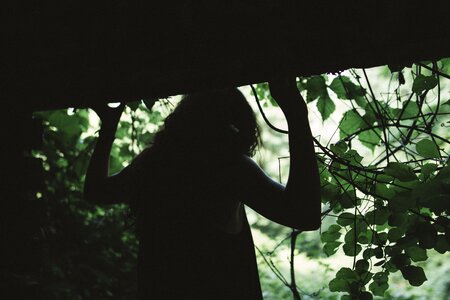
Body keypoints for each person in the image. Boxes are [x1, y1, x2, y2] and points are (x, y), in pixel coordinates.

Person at [84, 78, 321, 299]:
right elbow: (304, 214)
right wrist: (296, 113)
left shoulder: (153, 162)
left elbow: (96, 192)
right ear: (235, 126)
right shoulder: (228, 168)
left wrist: (108, 128)